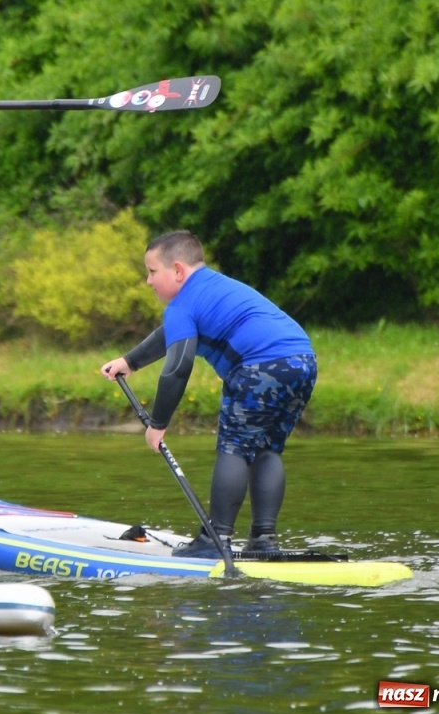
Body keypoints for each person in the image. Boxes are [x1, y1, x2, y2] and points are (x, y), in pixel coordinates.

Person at [99, 230, 317, 558]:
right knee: (266, 450)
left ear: (177, 270)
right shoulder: (214, 287)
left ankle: (215, 540)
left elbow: (178, 367)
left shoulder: (182, 303)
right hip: (303, 362)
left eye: (152, 271)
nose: (148, 281)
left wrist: (157, 424)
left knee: (234, 448)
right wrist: (130, 361)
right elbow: (172, 335)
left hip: (259, 367)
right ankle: (263, 540)